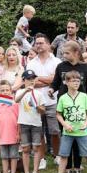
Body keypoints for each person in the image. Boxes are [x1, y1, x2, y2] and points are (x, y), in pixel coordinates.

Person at [50, 41, 87, 173]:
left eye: (67, 53)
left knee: (78, 136)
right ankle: (67, 167)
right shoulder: (60, 66)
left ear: (77, 52)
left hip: (80, 106)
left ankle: (77, 168)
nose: (64, 55)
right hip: (64, 105)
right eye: (63, 53)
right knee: (67, 135)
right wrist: (52, 90)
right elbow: (55, 83)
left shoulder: (86, 67)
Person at [27, 34, 61, 164]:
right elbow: (30, 82)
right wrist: (49, 80)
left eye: (41, 43)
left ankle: (57, 155)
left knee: (55, 131)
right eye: (37, 43)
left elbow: (56, 80)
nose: (38, 45)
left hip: (53, 101)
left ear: (48, 44)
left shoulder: (56, 61)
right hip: (36, 101)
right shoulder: (31, 62)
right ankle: (41, 158)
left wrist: (39, 78)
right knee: (38, 132)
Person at [15, 69, 44, 173]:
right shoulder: (19, 92)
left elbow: (43, 111)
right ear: (24, 80)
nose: (31, 81)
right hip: (24, 123)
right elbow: (16, 100)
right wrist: (25, 91)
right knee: (25, 148)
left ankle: (35, 172)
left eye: (33, 79)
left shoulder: (39, 94)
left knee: (36, 148)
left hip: (36, 123)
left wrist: (37, 105)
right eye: (28, 79)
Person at [0, 80, 19, 173]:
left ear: (11, 91)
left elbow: (19, 120)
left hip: (13, 134)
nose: (5, 92)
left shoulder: (15, 104)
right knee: (4, 156)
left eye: (7, 90)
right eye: (2, 90)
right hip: (3, 134)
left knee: (13, 155)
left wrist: (18, 133)